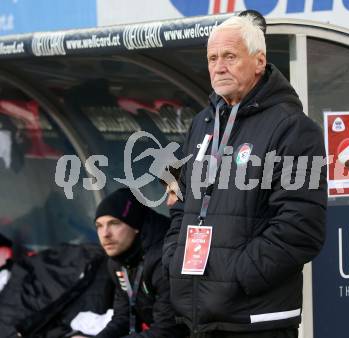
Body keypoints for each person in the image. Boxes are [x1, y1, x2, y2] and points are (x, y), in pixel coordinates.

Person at [163, 11, 327, 338]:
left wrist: (237, 275)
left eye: (229, 56)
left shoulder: (292, 128)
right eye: (212, 58)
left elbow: (302, 225)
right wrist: (175, 258)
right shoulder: (203, 123)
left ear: (259, 61)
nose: (219, 66)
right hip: (201, 314)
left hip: (256, 319)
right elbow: (181, 201)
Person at [88, 188, 186, 338]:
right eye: (99, 226)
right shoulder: (117, 261)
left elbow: (168, 329)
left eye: (114, 223)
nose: (105, 234)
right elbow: (123, 317)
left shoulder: (165, 258)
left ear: (135, 226)